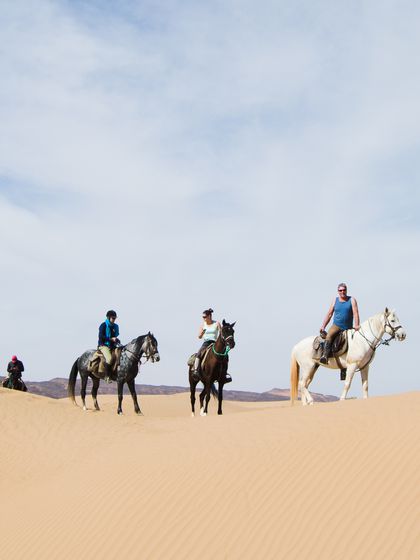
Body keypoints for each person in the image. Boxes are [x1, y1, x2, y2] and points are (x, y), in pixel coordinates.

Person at [319, 283, 360, 364]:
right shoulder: (335, 300)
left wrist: (357, 325)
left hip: (348, 327)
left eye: (344, 290)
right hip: (337, 325)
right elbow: (329, 314)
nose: (342, 292)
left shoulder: (352, 300)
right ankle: (325, 356)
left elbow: (356, 313)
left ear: (346, 290)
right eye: (340, 290)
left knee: (353, 343)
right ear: (338, 291)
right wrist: (323, 326)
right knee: (329, 335)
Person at [192, 308, 221, 380]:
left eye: (205, 317)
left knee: (224, 355)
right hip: (206, 343)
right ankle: (196, 371)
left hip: (214, 342)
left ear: (209, 316)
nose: (204, 318)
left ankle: (224, 373)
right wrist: (201, 333)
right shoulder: (203, 325)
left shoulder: (217, 323)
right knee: (198, 354)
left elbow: (221, 333)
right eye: (203, 317)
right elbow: (199, 336)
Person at [98, 310, 120, 383]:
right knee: (109, 358)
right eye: (113, 318)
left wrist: (117, 340)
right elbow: (100, 336)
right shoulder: (103, 325)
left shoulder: (115, 327)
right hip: (103, 345)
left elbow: (114, 337)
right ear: (108, 317)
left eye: (115, 318)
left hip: (112, 346)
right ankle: (107, 377)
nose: (114, 320)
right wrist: (110, 339)